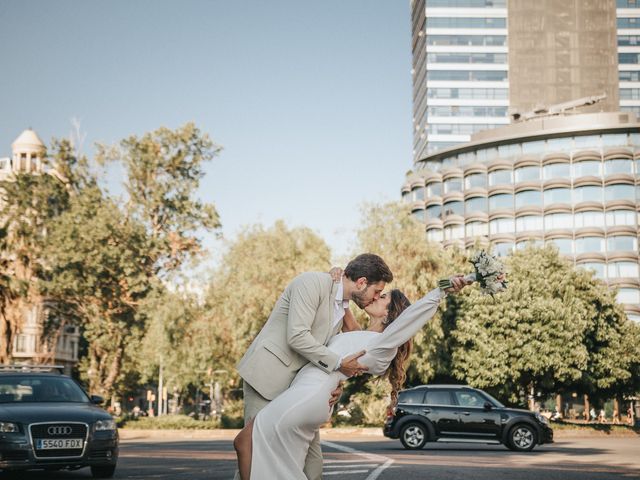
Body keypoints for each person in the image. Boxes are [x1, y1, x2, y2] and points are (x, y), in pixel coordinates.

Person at [234, 275, 470, 480]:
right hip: (311, 394)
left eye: (383, 296)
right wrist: (336, 276)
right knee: (286, 464)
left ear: (391, 314)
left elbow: (412, 317)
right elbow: (342, 297)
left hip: (308, 395)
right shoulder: (361, 334)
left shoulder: (383, 344)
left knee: (245, 443)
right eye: (378, 292)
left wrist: (441, 290)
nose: (376, 297)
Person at [234, 253, 393, 480]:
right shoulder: (311, 282)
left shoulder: (342, 307)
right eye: (376, 291)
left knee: (312, 466)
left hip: (299, 390)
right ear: (361, 282)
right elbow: (297, 336)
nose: (375, 297)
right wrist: (338, 364)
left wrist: (335, 386)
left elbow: (340, 348)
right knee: (253, 452)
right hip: (268, 379)